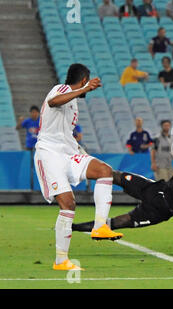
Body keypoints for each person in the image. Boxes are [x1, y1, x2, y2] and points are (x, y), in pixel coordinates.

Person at [34, 63, 123, 271]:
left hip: (69, 152)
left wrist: (81, 154)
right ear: (84, 80)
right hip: (50, 153)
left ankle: (100, 226)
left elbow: (65, 133)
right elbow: (53, 102)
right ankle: (61, 260)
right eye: (87, 81)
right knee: (68, 204)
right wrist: (83, 90)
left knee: (104, 170)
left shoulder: (74, 104)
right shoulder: (62, 89)